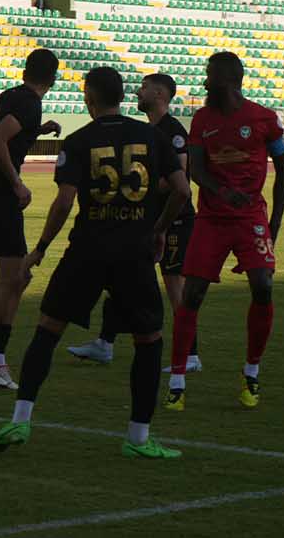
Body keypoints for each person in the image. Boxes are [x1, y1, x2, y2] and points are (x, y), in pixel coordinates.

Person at [0, 67, 189, 459]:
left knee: (48, 330)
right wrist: (159, 229)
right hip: (134, 252)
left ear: (88, 98)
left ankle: (21, 419)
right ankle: (139, 437)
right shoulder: (152, 136)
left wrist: (41, 247)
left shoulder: (79, 140)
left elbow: (64, 202)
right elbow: (181, 189)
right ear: (123, 96)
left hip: (88, 249)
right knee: (148, 341)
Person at [165, 51, 284, 412]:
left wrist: (275, 222)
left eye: (211, 76)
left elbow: (283, 170)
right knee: (193, 295)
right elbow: (196, 171)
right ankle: (177, 382)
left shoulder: (264, 119)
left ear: (230, 80)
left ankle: (251, 372)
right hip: (212, 219)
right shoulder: (203, 119)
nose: (205, 81)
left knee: (264, 287)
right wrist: (221, 192)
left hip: (251, 218)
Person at [69, 73, 201, 372]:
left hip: (174, 220)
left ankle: (190, 355)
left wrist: (138, 189)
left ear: (158, 94)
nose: (138, 93)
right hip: (147, 221)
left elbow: (179, 177)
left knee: (174, 288)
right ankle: (105, 343)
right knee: (122, 277)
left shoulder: (172, 131)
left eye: (144, 88)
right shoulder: (146, 131)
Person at [0, 49, 61, 389]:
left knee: (18, 279)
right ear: (53, 79)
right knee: (12, 279)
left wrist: (38, 129)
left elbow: (5, 133)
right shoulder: (29, 103)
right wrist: (17, 183)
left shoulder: (12, 96)